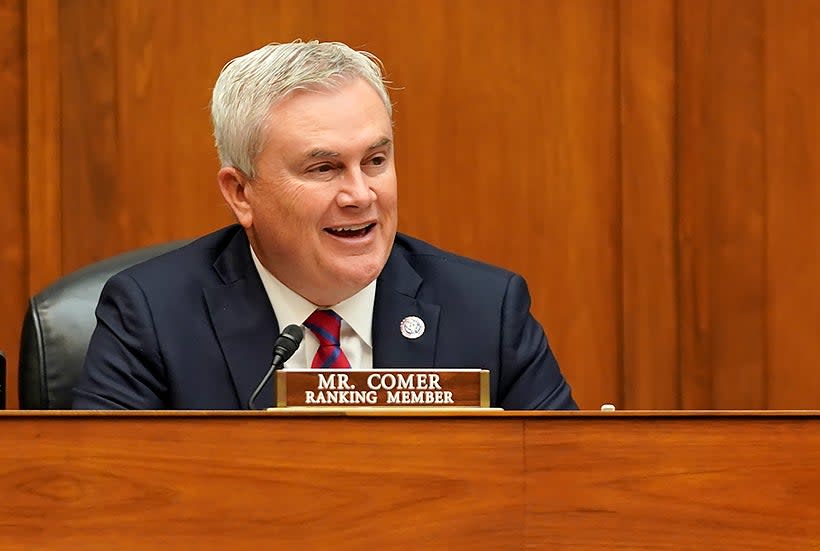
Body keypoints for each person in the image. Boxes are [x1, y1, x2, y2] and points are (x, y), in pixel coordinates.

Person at [72, 40, 577, 410]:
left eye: (376, 160)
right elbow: (104, 505)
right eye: (324, 168)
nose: (360, 195)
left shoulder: (488, 311)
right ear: (241, 193)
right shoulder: (153, 317)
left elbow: (564, 491)